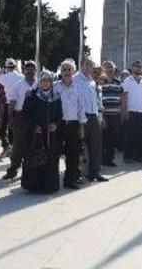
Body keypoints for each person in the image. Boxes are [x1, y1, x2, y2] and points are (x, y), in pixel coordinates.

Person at [18, 70, 63, 193]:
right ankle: (34, 186)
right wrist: (33, 126)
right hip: (35, 134)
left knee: (51, 159)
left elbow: (60, 114)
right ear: (39, 81)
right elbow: (25, 114)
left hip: (51, 134)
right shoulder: (32, 96)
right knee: (36, 158)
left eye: (48, 80)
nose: (45, 83)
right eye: (43, 80)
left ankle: (49, 186)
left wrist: (55, 124)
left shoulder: (56, 96)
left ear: (51, 82)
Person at [54, 60, 88, 189]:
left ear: (73, 71)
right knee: (55, 152)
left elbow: (81, 108)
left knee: (73, 154)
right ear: (61, 72)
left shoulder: (78, 87)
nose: (67, 72)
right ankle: (53, 181)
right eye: (65, 69)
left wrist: (82, 126)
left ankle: (70, 181)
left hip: (73, 124)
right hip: (58, 124)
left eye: (69, 69)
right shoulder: (55, 86)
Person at [3, 60, 37, 180]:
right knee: (18, 146)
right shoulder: (17, 85)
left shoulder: (39, 84)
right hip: (20, 117)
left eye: (32, 69)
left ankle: (30, 172)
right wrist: (11, 119)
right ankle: (13, 170)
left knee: (33, 146)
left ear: (35, 70)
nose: (30, 71)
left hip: (36, 118)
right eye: (27, 69)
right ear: (23, 70)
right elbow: (11, 103)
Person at [74, 57, 106, 182]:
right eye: (86, 65)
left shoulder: (92, 81)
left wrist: (100, 117)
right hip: (81, 117)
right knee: (79, 147)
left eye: (90, 65)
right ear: (81, 65)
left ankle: (95, 173)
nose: (88, 67)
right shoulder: (75, 79)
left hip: (93, 117)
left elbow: (96, 101)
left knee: (96, 146)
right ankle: (78, 174)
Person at [121, 60, 142, 163]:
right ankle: (127, 157)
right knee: (129, 135)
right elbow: (124, 97)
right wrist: (124, 112)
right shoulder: (128, 80)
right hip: (131, 111)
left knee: (140, 135)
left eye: (140, 67)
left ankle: (138, 156)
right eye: (136, 66)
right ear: (132, 68)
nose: (138, 68)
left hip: (141, 112)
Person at [100, 61, 124, 166]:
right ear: (103, 69)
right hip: (103, 115)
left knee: (112, 139)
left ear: (114, 70)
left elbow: (122, 99)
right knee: (102, 139)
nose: (109, 70)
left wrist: (122, 112)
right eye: (107, 67)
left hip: (115, 115)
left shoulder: (118, 83)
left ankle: (109, 160)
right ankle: (101, 160)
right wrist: (102, 116)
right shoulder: (100, 82)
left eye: (111, 68)